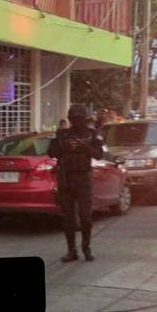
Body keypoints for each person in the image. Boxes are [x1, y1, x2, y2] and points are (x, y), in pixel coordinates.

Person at [48, 104, 103, 262]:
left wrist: (83, 146)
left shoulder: (93, 134)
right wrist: (64, 146)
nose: (77, 121)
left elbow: (98, 154)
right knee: (68, 218)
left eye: (80, 118)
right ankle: (71, 250)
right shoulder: (63, 134)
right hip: (66, 178)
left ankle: (86, 247)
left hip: (83, 178)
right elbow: (51, 152)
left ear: (85, 118)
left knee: (86, 218)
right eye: (74, 118)